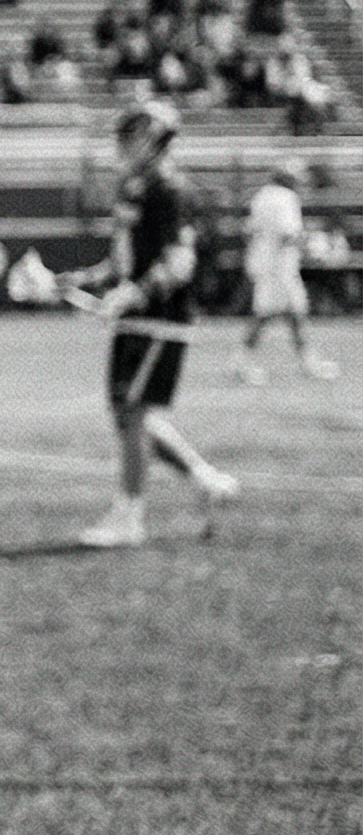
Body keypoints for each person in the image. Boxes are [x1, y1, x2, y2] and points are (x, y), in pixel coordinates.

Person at [67, 101, 241, 548]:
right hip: (137, 317)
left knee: (133, 413)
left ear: (152, 138)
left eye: (130, 136)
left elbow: (180, 262)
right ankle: (204, 480)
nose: (122, 145)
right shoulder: (135, 188)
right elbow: (121, 262)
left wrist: (136, 292)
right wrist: (73, 281)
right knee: (131, 416)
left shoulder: (170, 189)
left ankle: (129, 517)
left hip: (161, 318)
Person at [235, 162, 338, 384]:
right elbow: (288, 234)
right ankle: (242, 362)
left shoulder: (262, 195)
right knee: (264, 315)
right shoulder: (285, 198)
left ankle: (308, 362)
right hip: (278, 267)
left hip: (268, 264)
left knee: (297, 313)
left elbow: (249, 230)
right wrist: (315, 245)